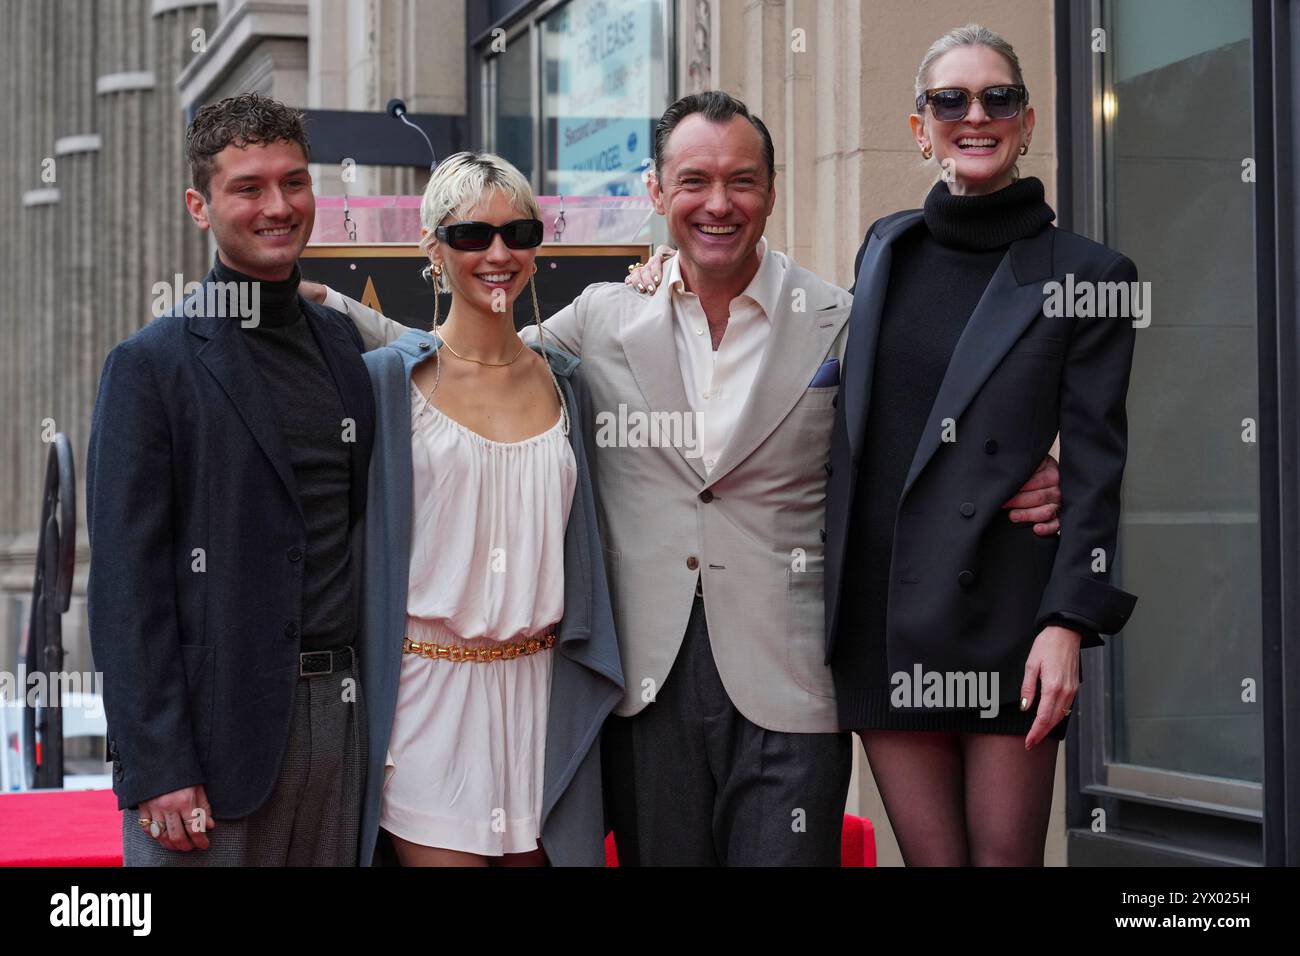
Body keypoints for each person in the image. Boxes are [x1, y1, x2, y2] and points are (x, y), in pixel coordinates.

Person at [309, 91, 1062, 866]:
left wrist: (1027, 467)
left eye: (741, 181)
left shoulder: (842, 317)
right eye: (694, 181)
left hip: (792, 690)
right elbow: (471, 359)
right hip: (643, 690)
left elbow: (932, 428)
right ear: (657, 193)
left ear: (770, 192)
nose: (719, 203)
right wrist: (317, 301)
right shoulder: (604, 317)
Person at [825, 24, 1138, 865]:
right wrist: (659, 270)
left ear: (1027, 121)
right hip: (880, 609)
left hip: (1006, 610)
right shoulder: (887, 247)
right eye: (950, 100)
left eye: (998, 98)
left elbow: (1100, 465)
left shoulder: (1092, 275)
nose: (976, 115)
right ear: (919, 126)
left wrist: (1068, 621)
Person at [87, 93, 375, 865]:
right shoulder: (151, 365)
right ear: (200, 205)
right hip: (209, 750)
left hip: (343, 725)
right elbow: (125, 585)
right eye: (248, 187)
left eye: (294, 182)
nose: (277, 206)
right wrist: (158, 765)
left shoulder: (345, 346)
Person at [355, 151, 623, 867]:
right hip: (427, 698)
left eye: (519, 233)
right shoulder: (388, 383)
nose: (498, 253)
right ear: (433, 248)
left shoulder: (569, 382)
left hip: (544, 693)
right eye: (473, 235)